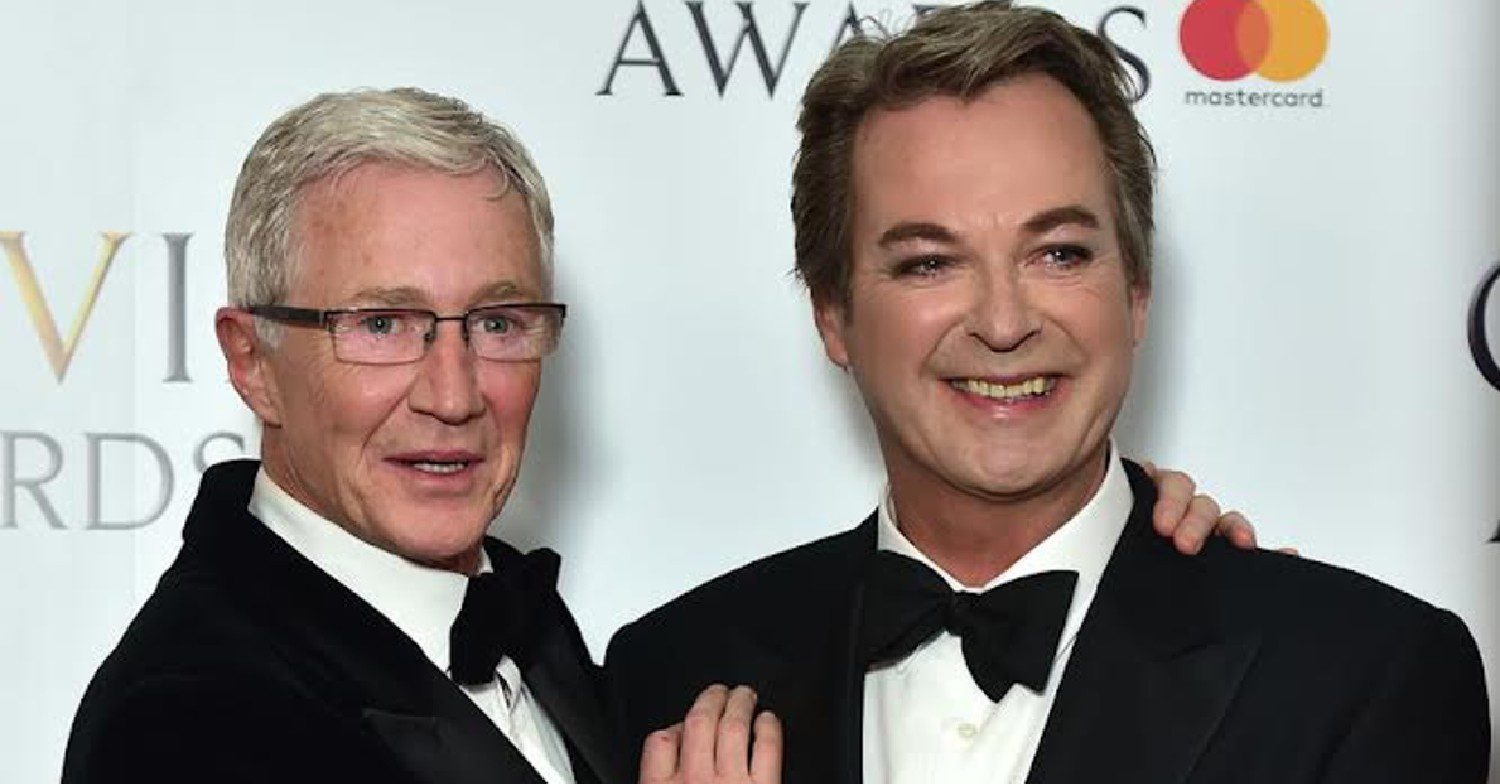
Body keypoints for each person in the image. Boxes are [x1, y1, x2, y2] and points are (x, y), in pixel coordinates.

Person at [60, 86, 1253, 784]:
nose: (454, 390)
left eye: (500, 320)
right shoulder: (190, 723)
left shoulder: (602, 656)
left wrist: (1137, 568)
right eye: (382, 324)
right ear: (249, 357)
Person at [604, 4, 1492, 783]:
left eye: (1058, 252)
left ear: (1136, 290)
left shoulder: (1356, 674)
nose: (1002, 320)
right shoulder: (670, 673)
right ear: (833, 316)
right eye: (928, 262)